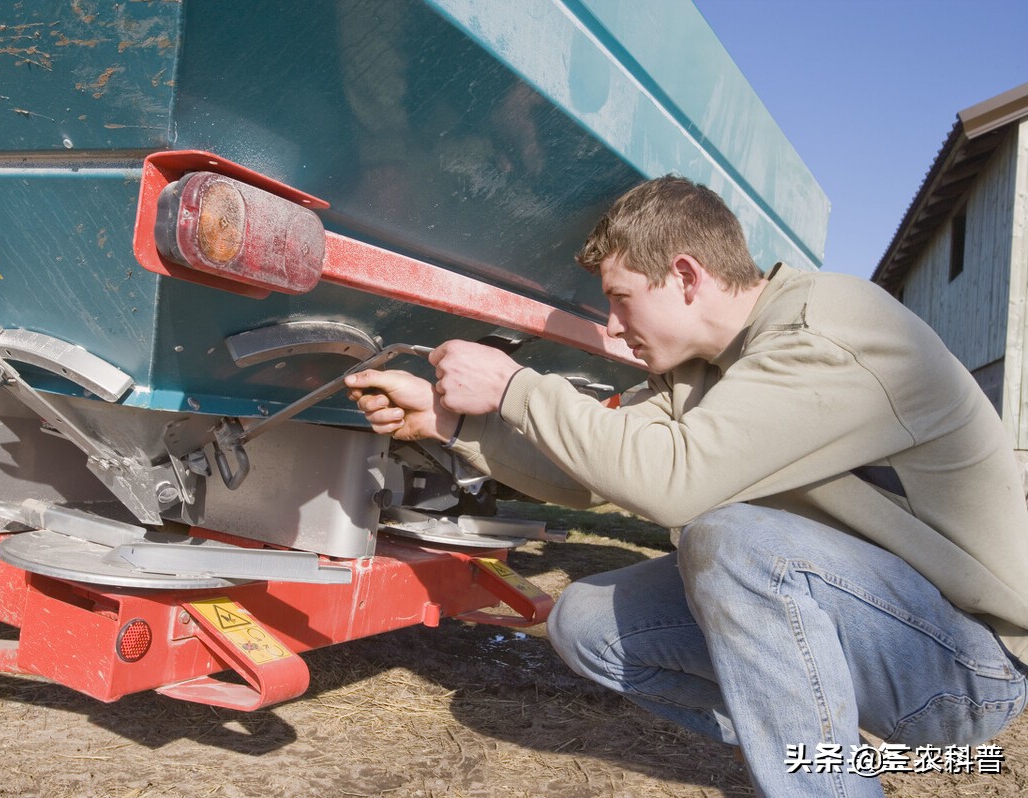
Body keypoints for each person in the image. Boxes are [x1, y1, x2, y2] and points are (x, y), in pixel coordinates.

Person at [345, 175, 1028, 796]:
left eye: (620, 298)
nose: (613, 326)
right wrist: (453, 426)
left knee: (734, 541)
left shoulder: (830, 332)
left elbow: (674, 485)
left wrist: (517, 387)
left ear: (685, 275)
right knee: (586, 624)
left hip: (965, 665)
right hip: (864, 622)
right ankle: (819, 762)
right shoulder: (700, 367)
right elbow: (590, 477)